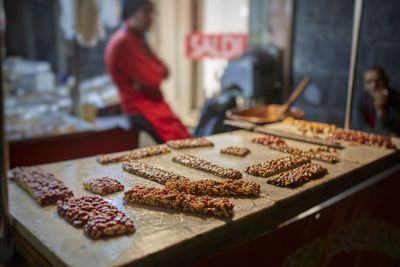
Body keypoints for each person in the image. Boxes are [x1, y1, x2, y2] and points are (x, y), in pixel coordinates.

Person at [105, 0, 191, 143]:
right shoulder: (124, 42)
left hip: (155, 105)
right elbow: (154, 78)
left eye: (152, 12)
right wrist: (156, 70)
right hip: (142, 108)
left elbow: (165, 70)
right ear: (133, 13)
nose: (151, 17)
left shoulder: (137, 38)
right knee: (180, 147)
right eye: (146, 12)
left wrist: (154, 71)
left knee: (186, 141)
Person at [352, 66, 400, 136]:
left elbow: (393, 133)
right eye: (369, 82)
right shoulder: (361, 99)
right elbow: (358, 127)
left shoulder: (396, 99)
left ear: (386, 81)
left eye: (379, 80)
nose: (374, 85)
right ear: (365, 85)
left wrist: (381, 110)